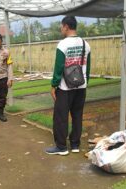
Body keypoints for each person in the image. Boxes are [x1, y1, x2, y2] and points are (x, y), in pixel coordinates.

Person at [46, 16, 91, 156]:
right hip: (81, 86)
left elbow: (59, 68)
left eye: (61, 26)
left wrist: (53, 85)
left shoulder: (63, 45)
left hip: (65, 87)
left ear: (66, 26)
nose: (61, 28)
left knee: (61, 116)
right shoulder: (86, 44)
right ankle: (75, 144)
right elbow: (87, 68)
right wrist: (85, 83)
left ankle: (61, 147)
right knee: (77, 115)